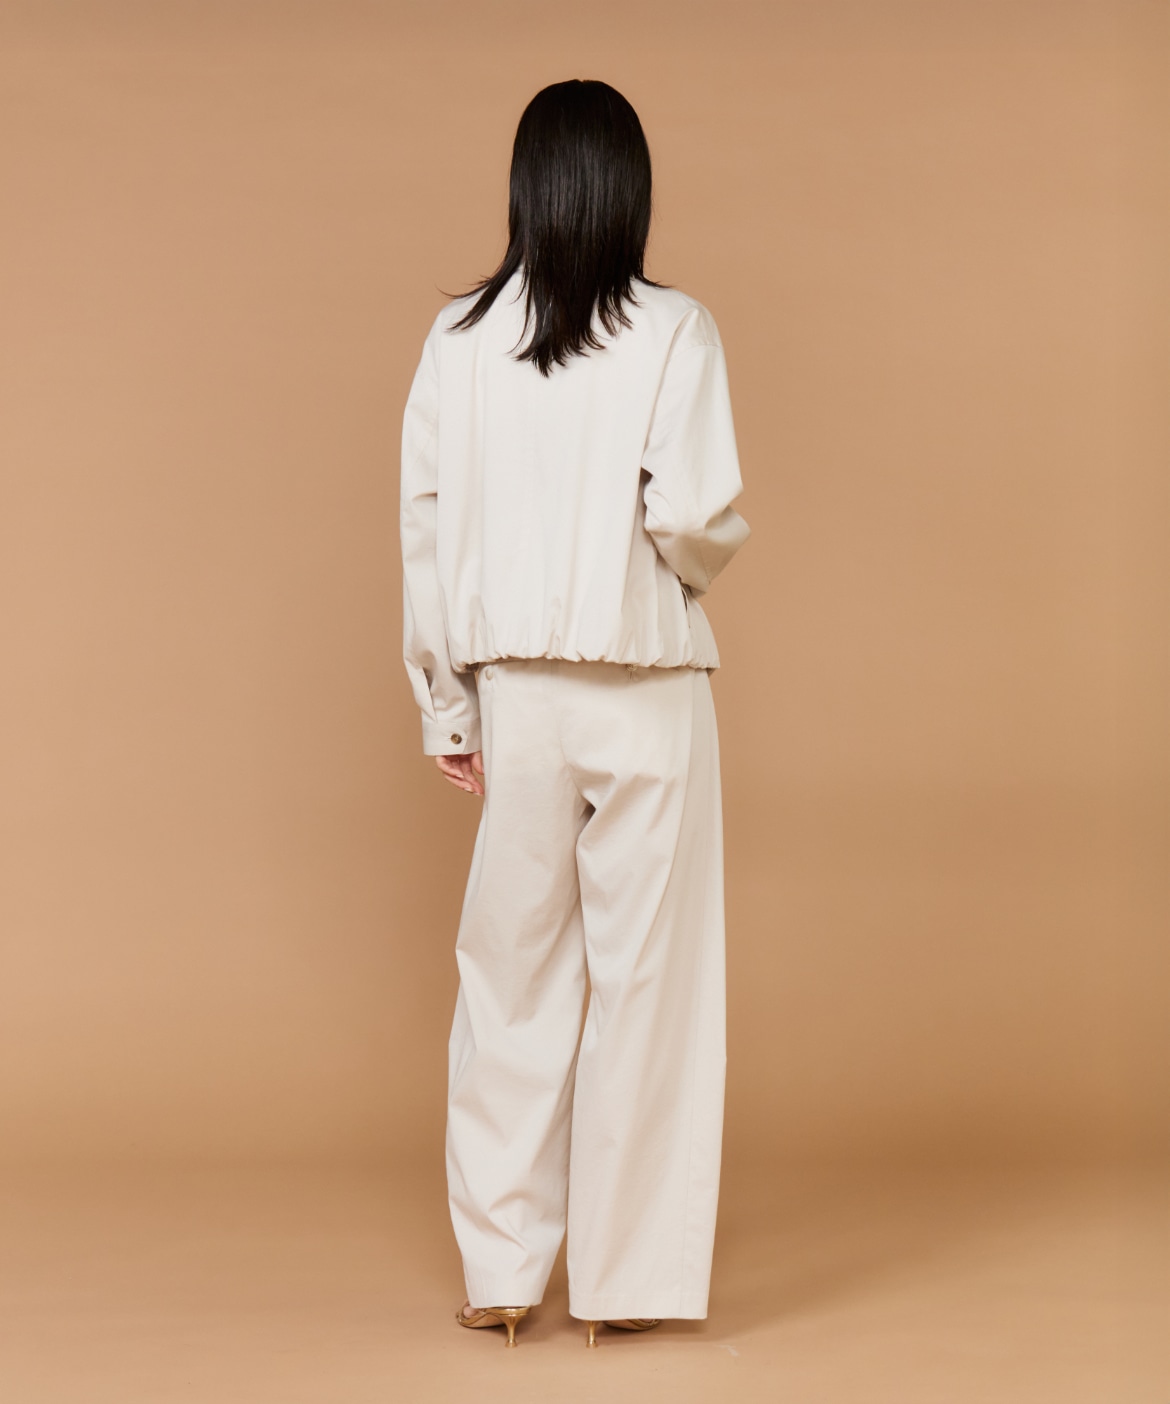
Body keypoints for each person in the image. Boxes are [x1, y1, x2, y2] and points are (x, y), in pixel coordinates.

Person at [399, 78, 750, 1350]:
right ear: (628, 190)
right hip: (646, 686)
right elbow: (693, 517)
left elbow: (427, 527)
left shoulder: (456, 339)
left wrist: (448, 706)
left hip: (521, 696)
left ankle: (502, 1272)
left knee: (511, 976)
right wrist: (676, 571)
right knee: (650, 985)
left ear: (527, 188)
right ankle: (626, 1284)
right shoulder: (675, 329)